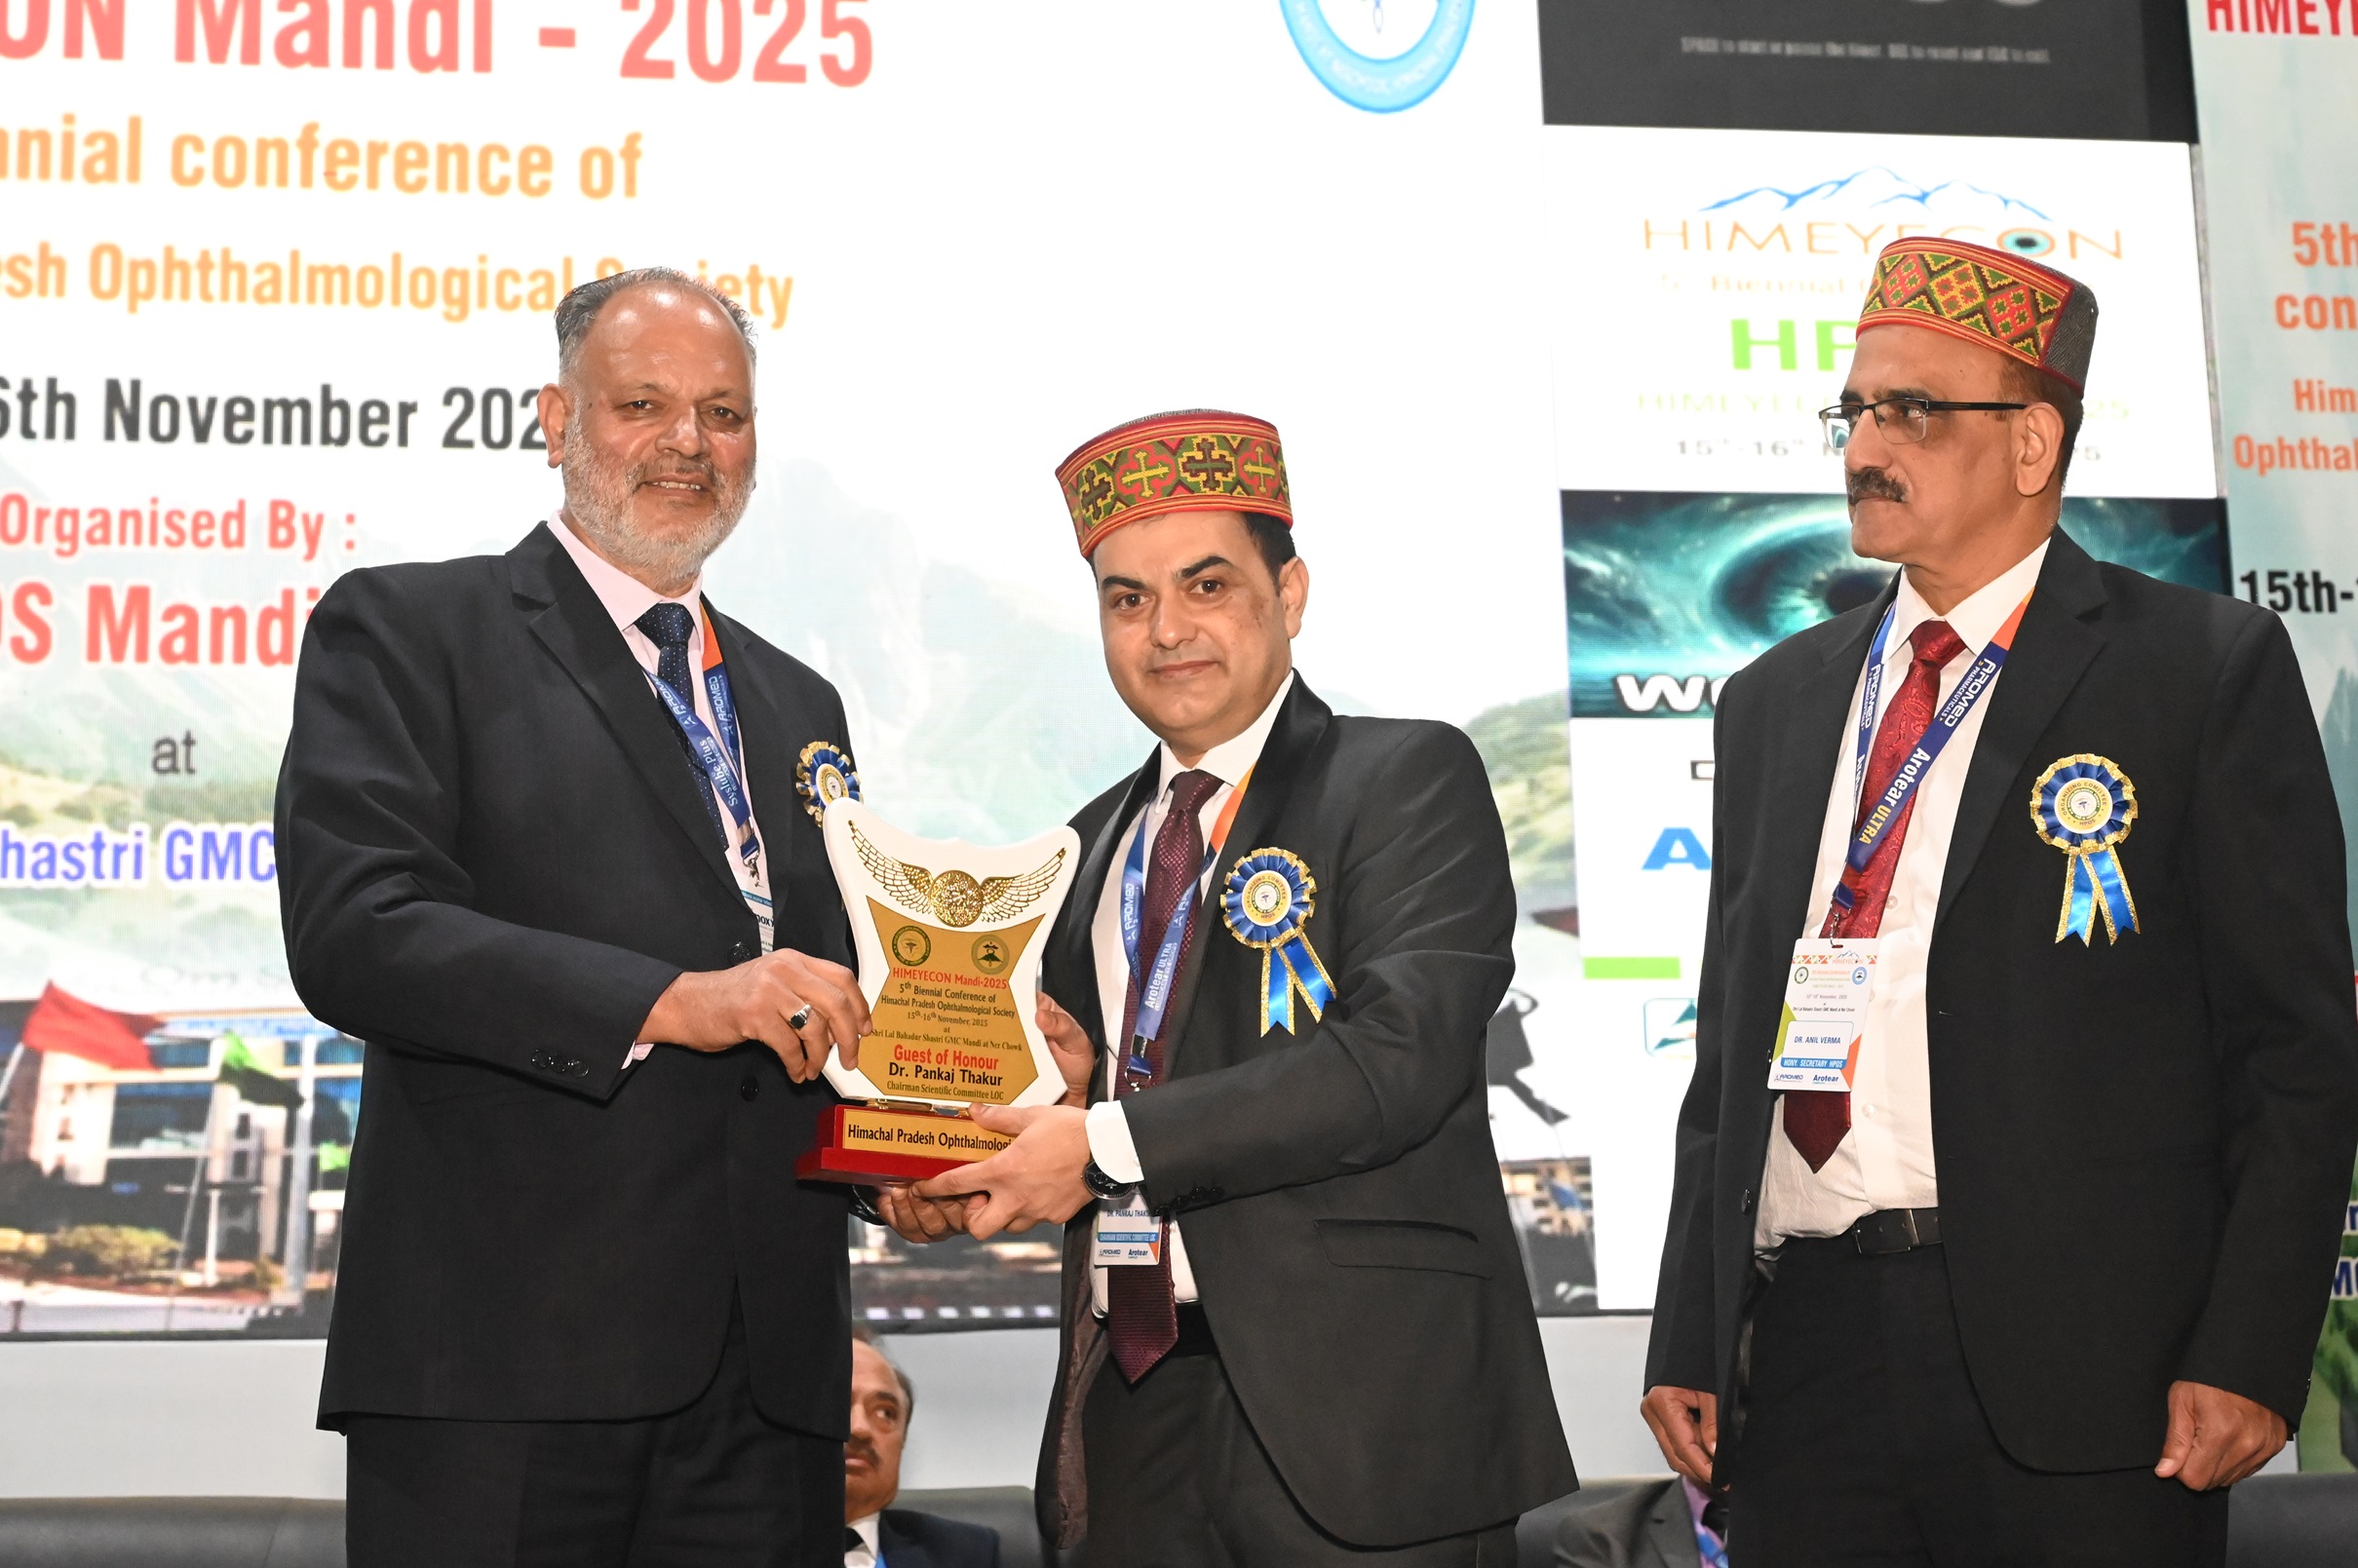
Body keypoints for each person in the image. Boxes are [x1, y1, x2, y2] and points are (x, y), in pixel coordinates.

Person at [1639, 236, 2358, 1566]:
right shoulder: (1773, 699)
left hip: (2086, 1372)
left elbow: (2293, 1053)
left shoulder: (2196, 669)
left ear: (2032, 443)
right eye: (1854, 412)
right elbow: (1731, 1051)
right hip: (1803, 1361)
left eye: (1910, 411)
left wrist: (2249, 1348)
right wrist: (1690, 1327)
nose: (1864, 448)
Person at [877, 409, 1576, 1565]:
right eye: (1128, 599)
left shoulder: (1404, 775)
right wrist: (928, 1172)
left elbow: (1395, 1059)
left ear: (1288, 594)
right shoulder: (1084, 846)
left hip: (1366, 1416)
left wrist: (1100, 1141)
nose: (1167, 630)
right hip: (1131, 1408)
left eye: (1206, 585)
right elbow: (1067, 1087)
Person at [277, 267, 875, 1567]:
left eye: (723, 413)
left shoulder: (798, 703)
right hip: (502, 1375)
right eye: (641, 404)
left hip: (766, 1391)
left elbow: (816, 998)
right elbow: (356, 928)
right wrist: (670, 1002)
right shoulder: (410, 629)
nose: (687, 443)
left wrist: (924, 1145)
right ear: (556, 421)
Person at [844, 1332, 1003, 1568]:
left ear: (903, 1439)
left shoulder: (969, 1555)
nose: (860, 1428)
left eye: (885, 1412)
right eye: (837, 1405)